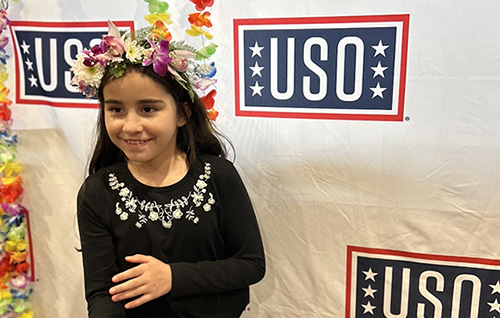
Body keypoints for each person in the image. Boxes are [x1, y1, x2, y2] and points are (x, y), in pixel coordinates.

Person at [73, 20, 265, 318]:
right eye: (116, 110)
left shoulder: (219, 176)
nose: (131, 126)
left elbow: (251, 263)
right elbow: (102, 293)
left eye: (148, 109)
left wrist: (173, 278)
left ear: (182, 114)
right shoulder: (97, 192)